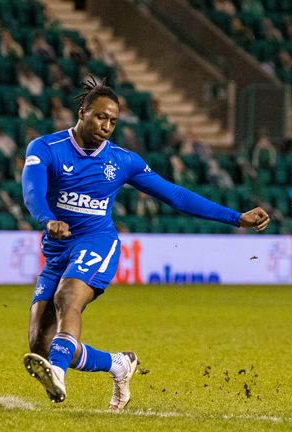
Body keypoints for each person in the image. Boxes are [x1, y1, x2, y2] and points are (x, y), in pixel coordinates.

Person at [21, 77, 269, 410]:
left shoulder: (124, 161)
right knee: (40, 342)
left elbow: (176, 196)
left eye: (113, 121)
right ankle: (118, 364)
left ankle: (59, 377)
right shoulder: (46, 148)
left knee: (69, 298)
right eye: (100, 117)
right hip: (57, 250)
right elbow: (33, 191)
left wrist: (236, 217)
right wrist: (48, 219)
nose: (107, 126)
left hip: (97, 242)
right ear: (82, 112)